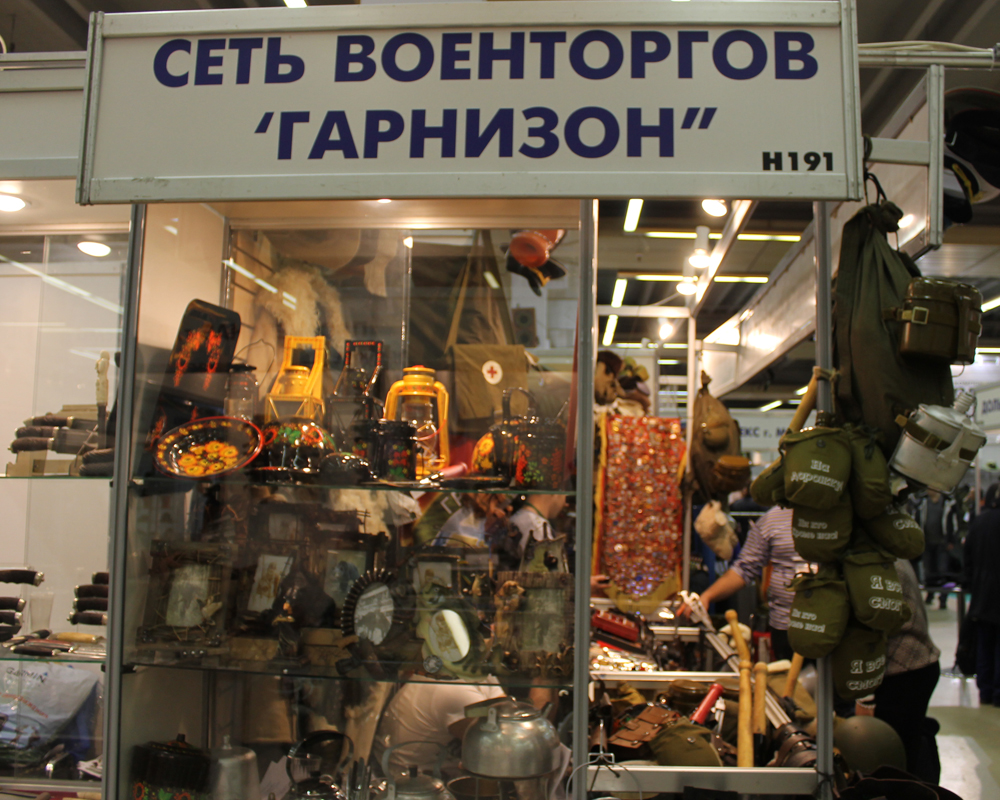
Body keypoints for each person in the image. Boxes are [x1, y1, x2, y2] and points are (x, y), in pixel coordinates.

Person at [680, 505, 808, 660]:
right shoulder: (772, 520)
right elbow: (744, 568)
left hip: (828, 626)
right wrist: (706, 597)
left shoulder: (833, 517)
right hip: (785, 626)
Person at [873, 559, 941, 783]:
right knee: (912, 741)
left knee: (899, 756)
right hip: (919, 663)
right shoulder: (896, 556)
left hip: (904, 668)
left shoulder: (876, 562)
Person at [963, 482, 1000, 706]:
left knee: (985, 644)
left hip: (981, 596)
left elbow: (967, 558)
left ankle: (985, 690)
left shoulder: (979, 521)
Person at [911, 489, 957, 609]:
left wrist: (951, 540)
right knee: (928, 572)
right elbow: (917, 520)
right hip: (927, 543)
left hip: (943, 543)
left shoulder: (947, 502)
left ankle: (943, 599)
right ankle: (930, 595)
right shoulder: (922, 502)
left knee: (943, 571)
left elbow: (953, 521)